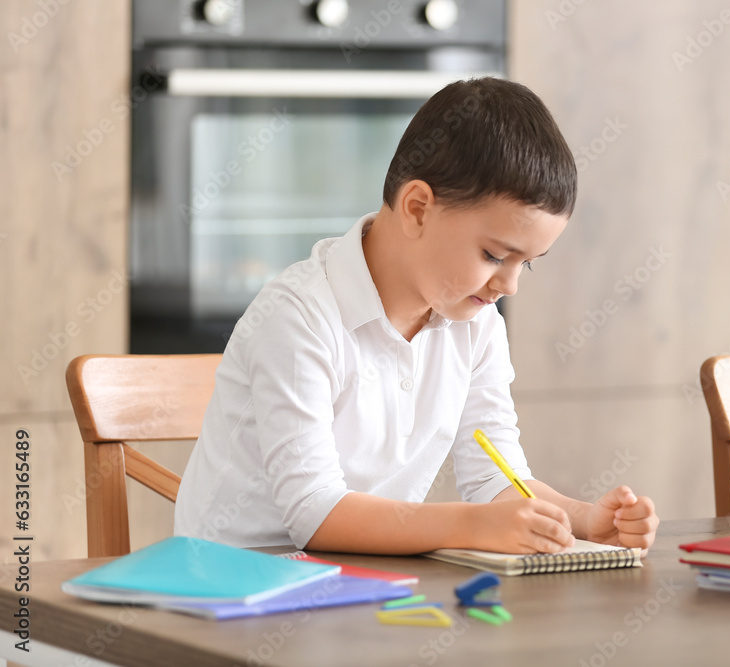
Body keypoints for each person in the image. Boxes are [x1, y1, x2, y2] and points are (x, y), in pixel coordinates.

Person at [174, 77, 659, 555]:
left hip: (357, 585)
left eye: (525, 263)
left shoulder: (476, 323)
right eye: (494, 255)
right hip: (229, 590)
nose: (508, 286)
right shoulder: (299, 317)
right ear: (418, 208)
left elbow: (495, 475)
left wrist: (582, 520)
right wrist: (474, 525)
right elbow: (314, 514)